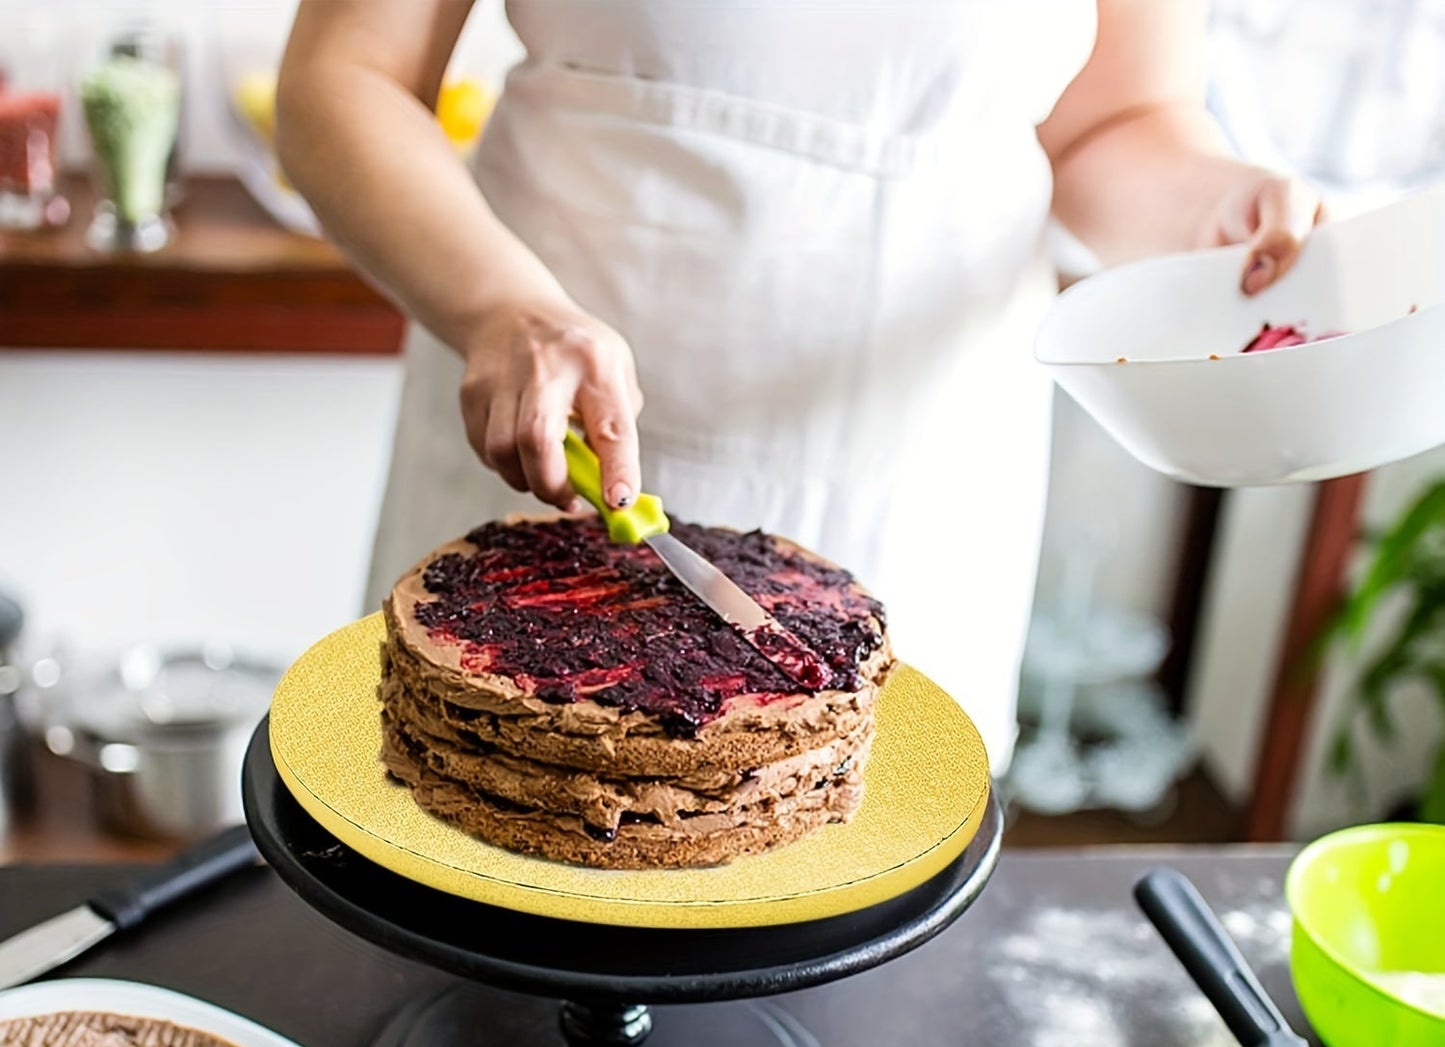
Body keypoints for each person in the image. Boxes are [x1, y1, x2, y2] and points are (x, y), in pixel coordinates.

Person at [277, 0, 1321, 768]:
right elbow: (345, 73)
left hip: (912, 472)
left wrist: (1215, 213)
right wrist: (500, 308)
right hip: (547, 434)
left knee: (853, 948)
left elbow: (1116, 121)